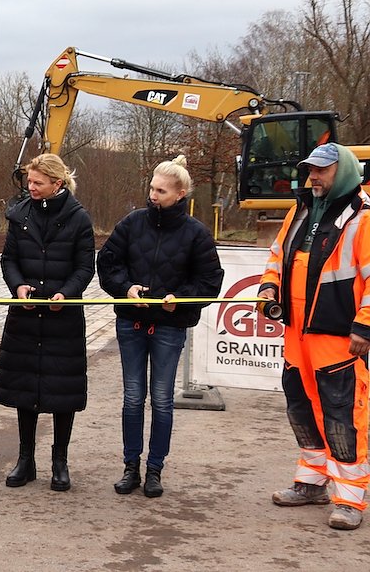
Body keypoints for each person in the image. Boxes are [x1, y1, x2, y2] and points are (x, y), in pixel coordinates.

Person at [96, 155, 224, 498]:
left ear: (180, 194)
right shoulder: (132, 223)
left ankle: (155, 469)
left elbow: (209, 282)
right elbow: (107, 263)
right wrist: (126, 289)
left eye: (161, 191)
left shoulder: (197, 233)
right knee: (133, 397)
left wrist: (179, 299)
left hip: (169, 327)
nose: (153, 195)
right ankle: (130, 467)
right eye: (152, 188)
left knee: (163, 399)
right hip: (131, 323)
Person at [259, 142, 370, 530]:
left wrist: (364, 326)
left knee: (343, 415)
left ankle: (350, 499)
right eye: (311, 170)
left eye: (322, 170)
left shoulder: (363, 217)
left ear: (344, 172)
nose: (313, 177)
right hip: (297, 333)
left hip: (339, 336)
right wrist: (268, 287)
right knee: (302, 408)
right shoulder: (301, 209)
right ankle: (311, 483)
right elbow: (277, 256)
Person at [0, 153, 94, 492]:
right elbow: (9, 259)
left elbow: (85, 267)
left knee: (62, 391)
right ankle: (26, 459)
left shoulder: (79, 218)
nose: (31, 187)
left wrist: (67, 293)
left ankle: (59, 461)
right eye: (29, 181)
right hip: (25, 316)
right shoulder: (20, 214)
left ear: (57, 183)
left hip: (62, 319)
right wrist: (17, 286)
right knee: (25, 388)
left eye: (38, 182)